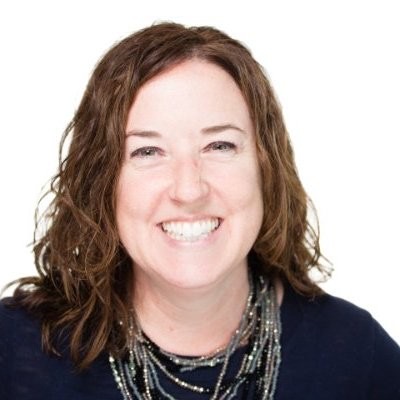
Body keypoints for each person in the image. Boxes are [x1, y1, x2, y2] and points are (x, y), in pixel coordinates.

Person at [0, 22, 399, 400]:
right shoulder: (12, 351)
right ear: (102, 181)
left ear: (266, 168)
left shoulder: (360, 359)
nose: (189, 189)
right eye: (148, 151)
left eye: (220, 146)